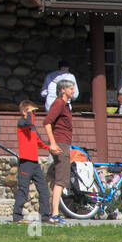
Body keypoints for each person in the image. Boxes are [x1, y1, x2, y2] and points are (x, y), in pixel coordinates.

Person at [12, 100, 54, 224]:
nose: (34, 114)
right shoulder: (22, 123)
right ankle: (17, 217)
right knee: (23, 190)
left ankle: (45, 217)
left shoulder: (32, 128)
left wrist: (51, 147)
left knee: (44, 190)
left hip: (35, 164)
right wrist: (28, 113)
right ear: (25, 112)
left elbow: (40, 142)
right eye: (32, 111)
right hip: (25, 163)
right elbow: (28, 121)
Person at [43, 79, 76, 223]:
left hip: (64, 143)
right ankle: (54, 214)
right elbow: (47, 122)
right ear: (63, 90)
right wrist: (52, 143)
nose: (73, 91)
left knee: (60, 178)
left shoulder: (66, 105)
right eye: (71, 88)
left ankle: (53, 212)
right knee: (61, 179)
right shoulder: (59, 103)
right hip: (60, 144)